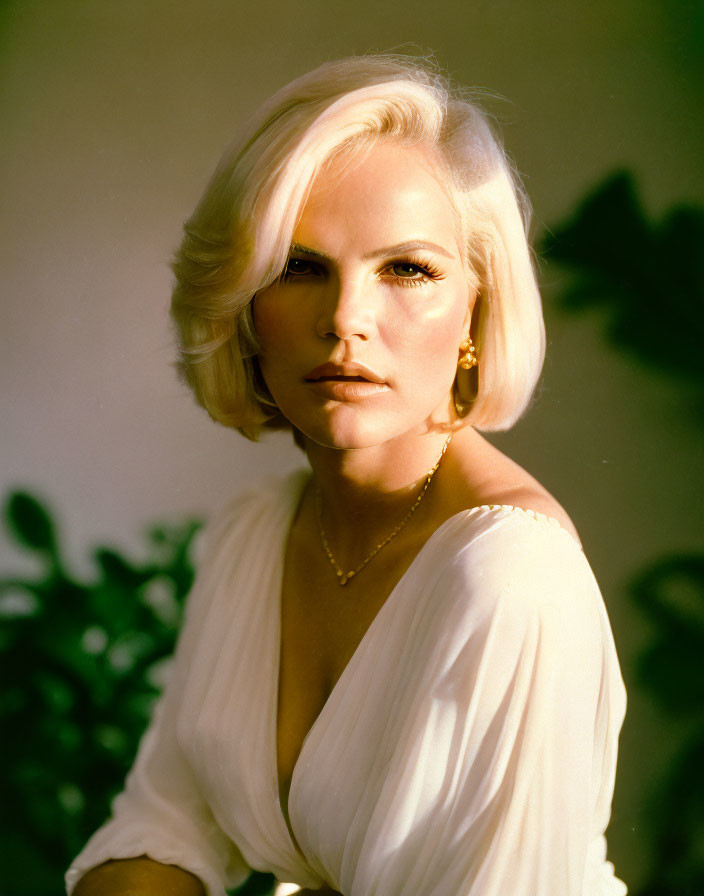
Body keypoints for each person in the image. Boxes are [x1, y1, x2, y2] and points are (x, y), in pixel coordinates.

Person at [66, 54, 628, 896]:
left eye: (407, 269)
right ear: (244, 310)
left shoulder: (513, 579)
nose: (345, 321)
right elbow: (167, 822)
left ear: (476, 311)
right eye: (299, 267)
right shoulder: (256, 534)